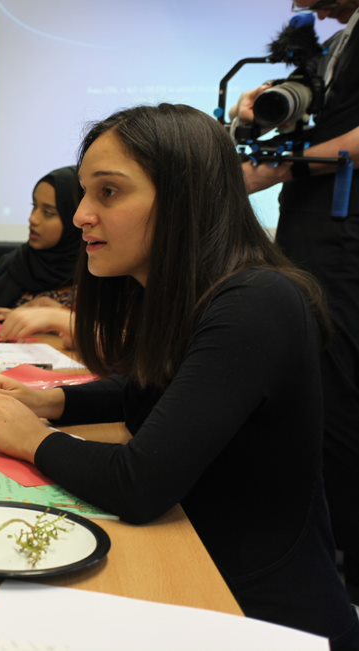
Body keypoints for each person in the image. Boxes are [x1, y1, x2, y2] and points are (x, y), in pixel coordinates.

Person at [0, 104, 359, 648]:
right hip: (196, 578)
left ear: (184, 198)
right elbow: (156, 389)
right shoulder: (191, 292)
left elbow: (140, 483)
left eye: (108, 192)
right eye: (85, 193)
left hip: (256, 616)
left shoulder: (257, 302)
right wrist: (54, 403)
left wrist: (32, 439)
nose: (82, 214)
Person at [235, 0, 359, 603]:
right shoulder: (333, 42)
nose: (300, 4)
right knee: (307, 383)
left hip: (346, 246)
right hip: (311, 237)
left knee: (338, 398)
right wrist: (263, 115)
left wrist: (285, 167)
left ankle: (334, 572)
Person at [0, 165, 82, 344]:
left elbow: (113, 341)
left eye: (48, 213)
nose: (33, 219)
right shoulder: (16, 263)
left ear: (74, 220)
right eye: (34, 206)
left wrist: (58, 315)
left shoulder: (97, 270)